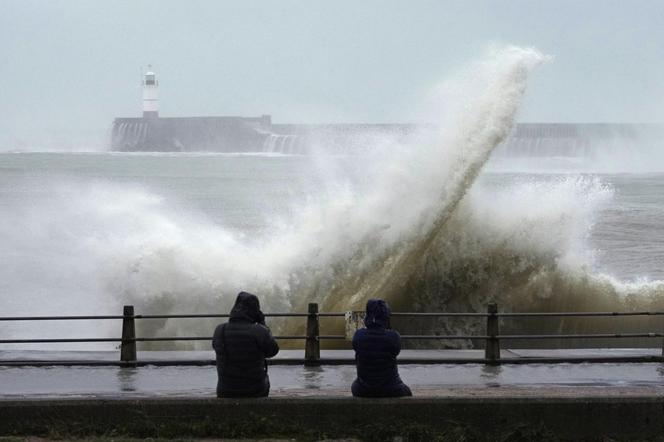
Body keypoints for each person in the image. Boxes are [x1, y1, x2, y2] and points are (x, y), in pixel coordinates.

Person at [212, 291, 279, 398]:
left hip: (225, 391)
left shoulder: (220, 330)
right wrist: (263, 324)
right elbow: (273, 351)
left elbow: (216, 347)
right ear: (255, 311)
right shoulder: (259, 331)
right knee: (265, 379)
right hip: (255, 391)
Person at [351, 298, 412, 397]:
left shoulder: (358, 335)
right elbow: (395, 351)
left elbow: (356, 347)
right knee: (407, 392)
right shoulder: (393, 337)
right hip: (391, 388)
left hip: (363, 389)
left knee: (354, 386)